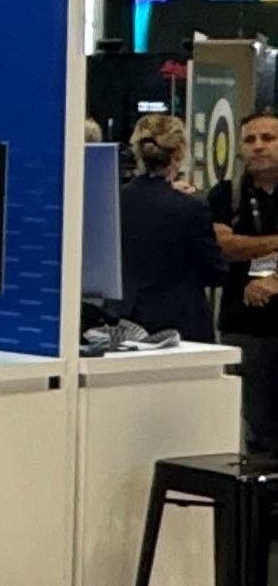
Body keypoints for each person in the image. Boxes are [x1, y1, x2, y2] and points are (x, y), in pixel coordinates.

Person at [118, 115, 225, 341]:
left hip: (126, 321)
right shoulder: (191, 207)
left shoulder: (114, 201)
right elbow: (214, 272)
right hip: (181, 325)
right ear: (179, 153)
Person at [210, 109, 278, 457]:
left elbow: (241, 245)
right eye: (250, 140)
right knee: (257, 427)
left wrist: (273, 278)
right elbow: (225, 246)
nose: (258, 146)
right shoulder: (227, 195)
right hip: (245, 327)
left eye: (268, 138)